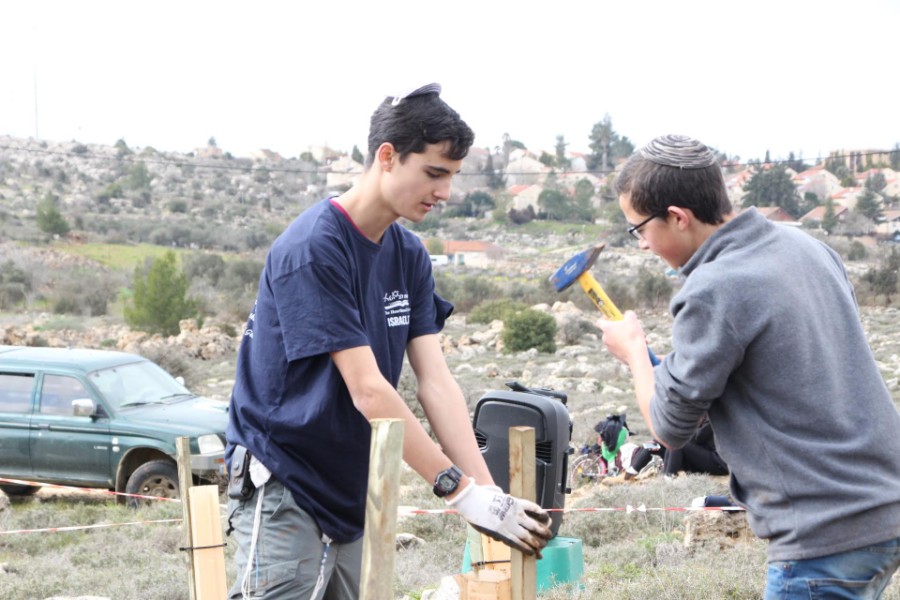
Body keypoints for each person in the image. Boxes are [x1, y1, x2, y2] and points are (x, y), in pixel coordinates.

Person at [224, 84, 551, 600]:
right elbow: (369, 390)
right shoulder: (314, 247)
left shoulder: (408, 254)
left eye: (452, 177)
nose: (444, 193)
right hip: (286, 479)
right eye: (434, 173)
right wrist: (456, 490)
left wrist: (487, 494)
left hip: (353, 486)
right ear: (387, 157)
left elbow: (436, 383)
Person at [598, 134, 900, 598]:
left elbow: (668, 428)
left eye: (638, 229)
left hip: (823, 535)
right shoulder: (806, 248)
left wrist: (634, 350)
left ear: (677, 218)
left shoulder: (715, 287)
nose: (641, 245)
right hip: (883, 510)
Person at [624, 416, 727, 480]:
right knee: (652, 444)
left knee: (676, 442)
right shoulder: (692, 416)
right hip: (694, 460)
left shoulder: (712, 417)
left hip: (716, 462)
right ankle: (631, 472)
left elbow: (697, 438)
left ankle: (668, 477)